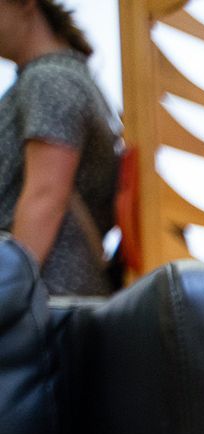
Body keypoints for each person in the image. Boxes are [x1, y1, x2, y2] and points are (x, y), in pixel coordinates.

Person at [0, 0, 119, 296]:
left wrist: (8, 293)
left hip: (47, 299)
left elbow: (45, 197)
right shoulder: (64, 76)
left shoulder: (49, 80)